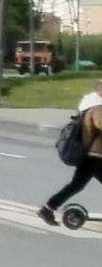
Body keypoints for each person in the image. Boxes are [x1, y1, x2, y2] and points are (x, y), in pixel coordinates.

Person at [38, 89, 102, 225]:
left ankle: (47, 208)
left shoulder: (89, 106)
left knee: (76, 185)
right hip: (95, 156)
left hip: (90, 156)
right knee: (76, 185)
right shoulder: (97, 109)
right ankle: (48, 208)